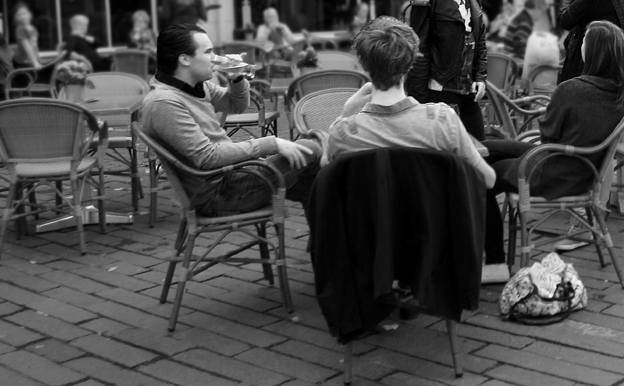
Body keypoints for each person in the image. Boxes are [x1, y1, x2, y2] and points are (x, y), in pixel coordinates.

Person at [322, 17, 498, 278]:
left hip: (371, 247)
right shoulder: (441, 120)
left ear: (365, 66)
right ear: (410, 62)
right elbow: (488, 179)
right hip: (432, 244)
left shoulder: (344, 132)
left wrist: (347, 111)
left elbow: (325, 171)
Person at [481, 21, 624, 277]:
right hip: (582, 170)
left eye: (584, 40)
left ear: (593, 51)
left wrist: (555, 110)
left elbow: (548, 136)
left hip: (552, 171)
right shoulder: (622, 94)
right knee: (486, 149)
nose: (581, 44)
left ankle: (495, 262)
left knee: (482, 174)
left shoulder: (571, 89)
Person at [141, 24, 320, 221]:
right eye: (208, 52)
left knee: (313, 178)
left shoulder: (194, 86)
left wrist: (236, 78)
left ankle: (325, 231)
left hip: (232, 174)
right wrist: (272, 143)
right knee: (312, 149)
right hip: (217, 193)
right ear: (184, 59)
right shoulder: (164, 103)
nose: (215, 58)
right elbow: (207, 157)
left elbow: (236, 105)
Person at [407, 0, 488, 141]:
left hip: (468, 90)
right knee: (445, 154)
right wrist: (419, 103)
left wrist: (480, 77)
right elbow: (419, 49)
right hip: (439, 92)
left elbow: (479, 37)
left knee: (479, 149)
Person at [12, 3, 43, 69]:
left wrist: (37, 59)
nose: (22, 17)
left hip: (30, 60)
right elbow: (27, 47)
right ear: (16, 18)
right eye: (19, 15)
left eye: (24, 13)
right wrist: (35, 62)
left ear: (29, 14)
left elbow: (35, 46)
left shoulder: (33, 29)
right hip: (20, 61)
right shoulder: (20, 29)